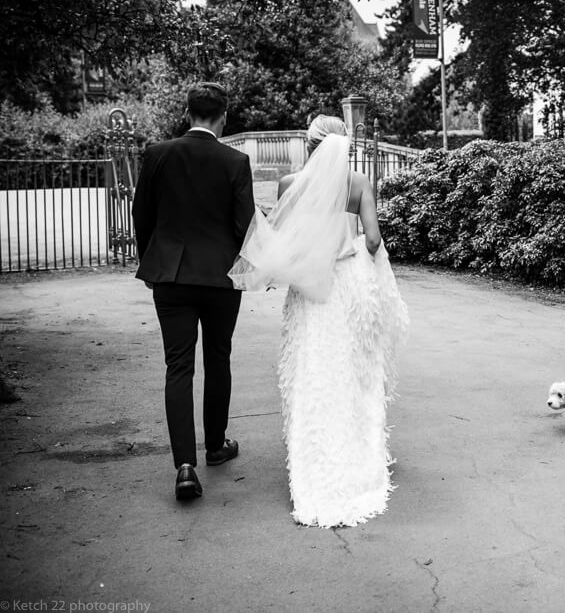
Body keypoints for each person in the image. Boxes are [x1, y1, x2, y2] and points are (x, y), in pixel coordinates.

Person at [228, 115, 409, 527]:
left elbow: (281, 240)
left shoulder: (292, 184)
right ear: (342, 146)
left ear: (310, 146)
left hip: (310, 289)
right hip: (348, 285)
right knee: (352, 370)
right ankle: (358, 458)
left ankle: (314, 463)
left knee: (314, 369)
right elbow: (375, 239)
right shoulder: (358, 182)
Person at [132, 82, 255, 501]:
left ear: (187, 113)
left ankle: (185, 465)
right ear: (223, 116)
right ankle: (216, 446)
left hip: (170, 274)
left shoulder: (157, 154)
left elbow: (142, 217)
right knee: (218, 358)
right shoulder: (236, 161)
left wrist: (154, 263)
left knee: (178, 367)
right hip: (221, 277)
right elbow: (245, 227)